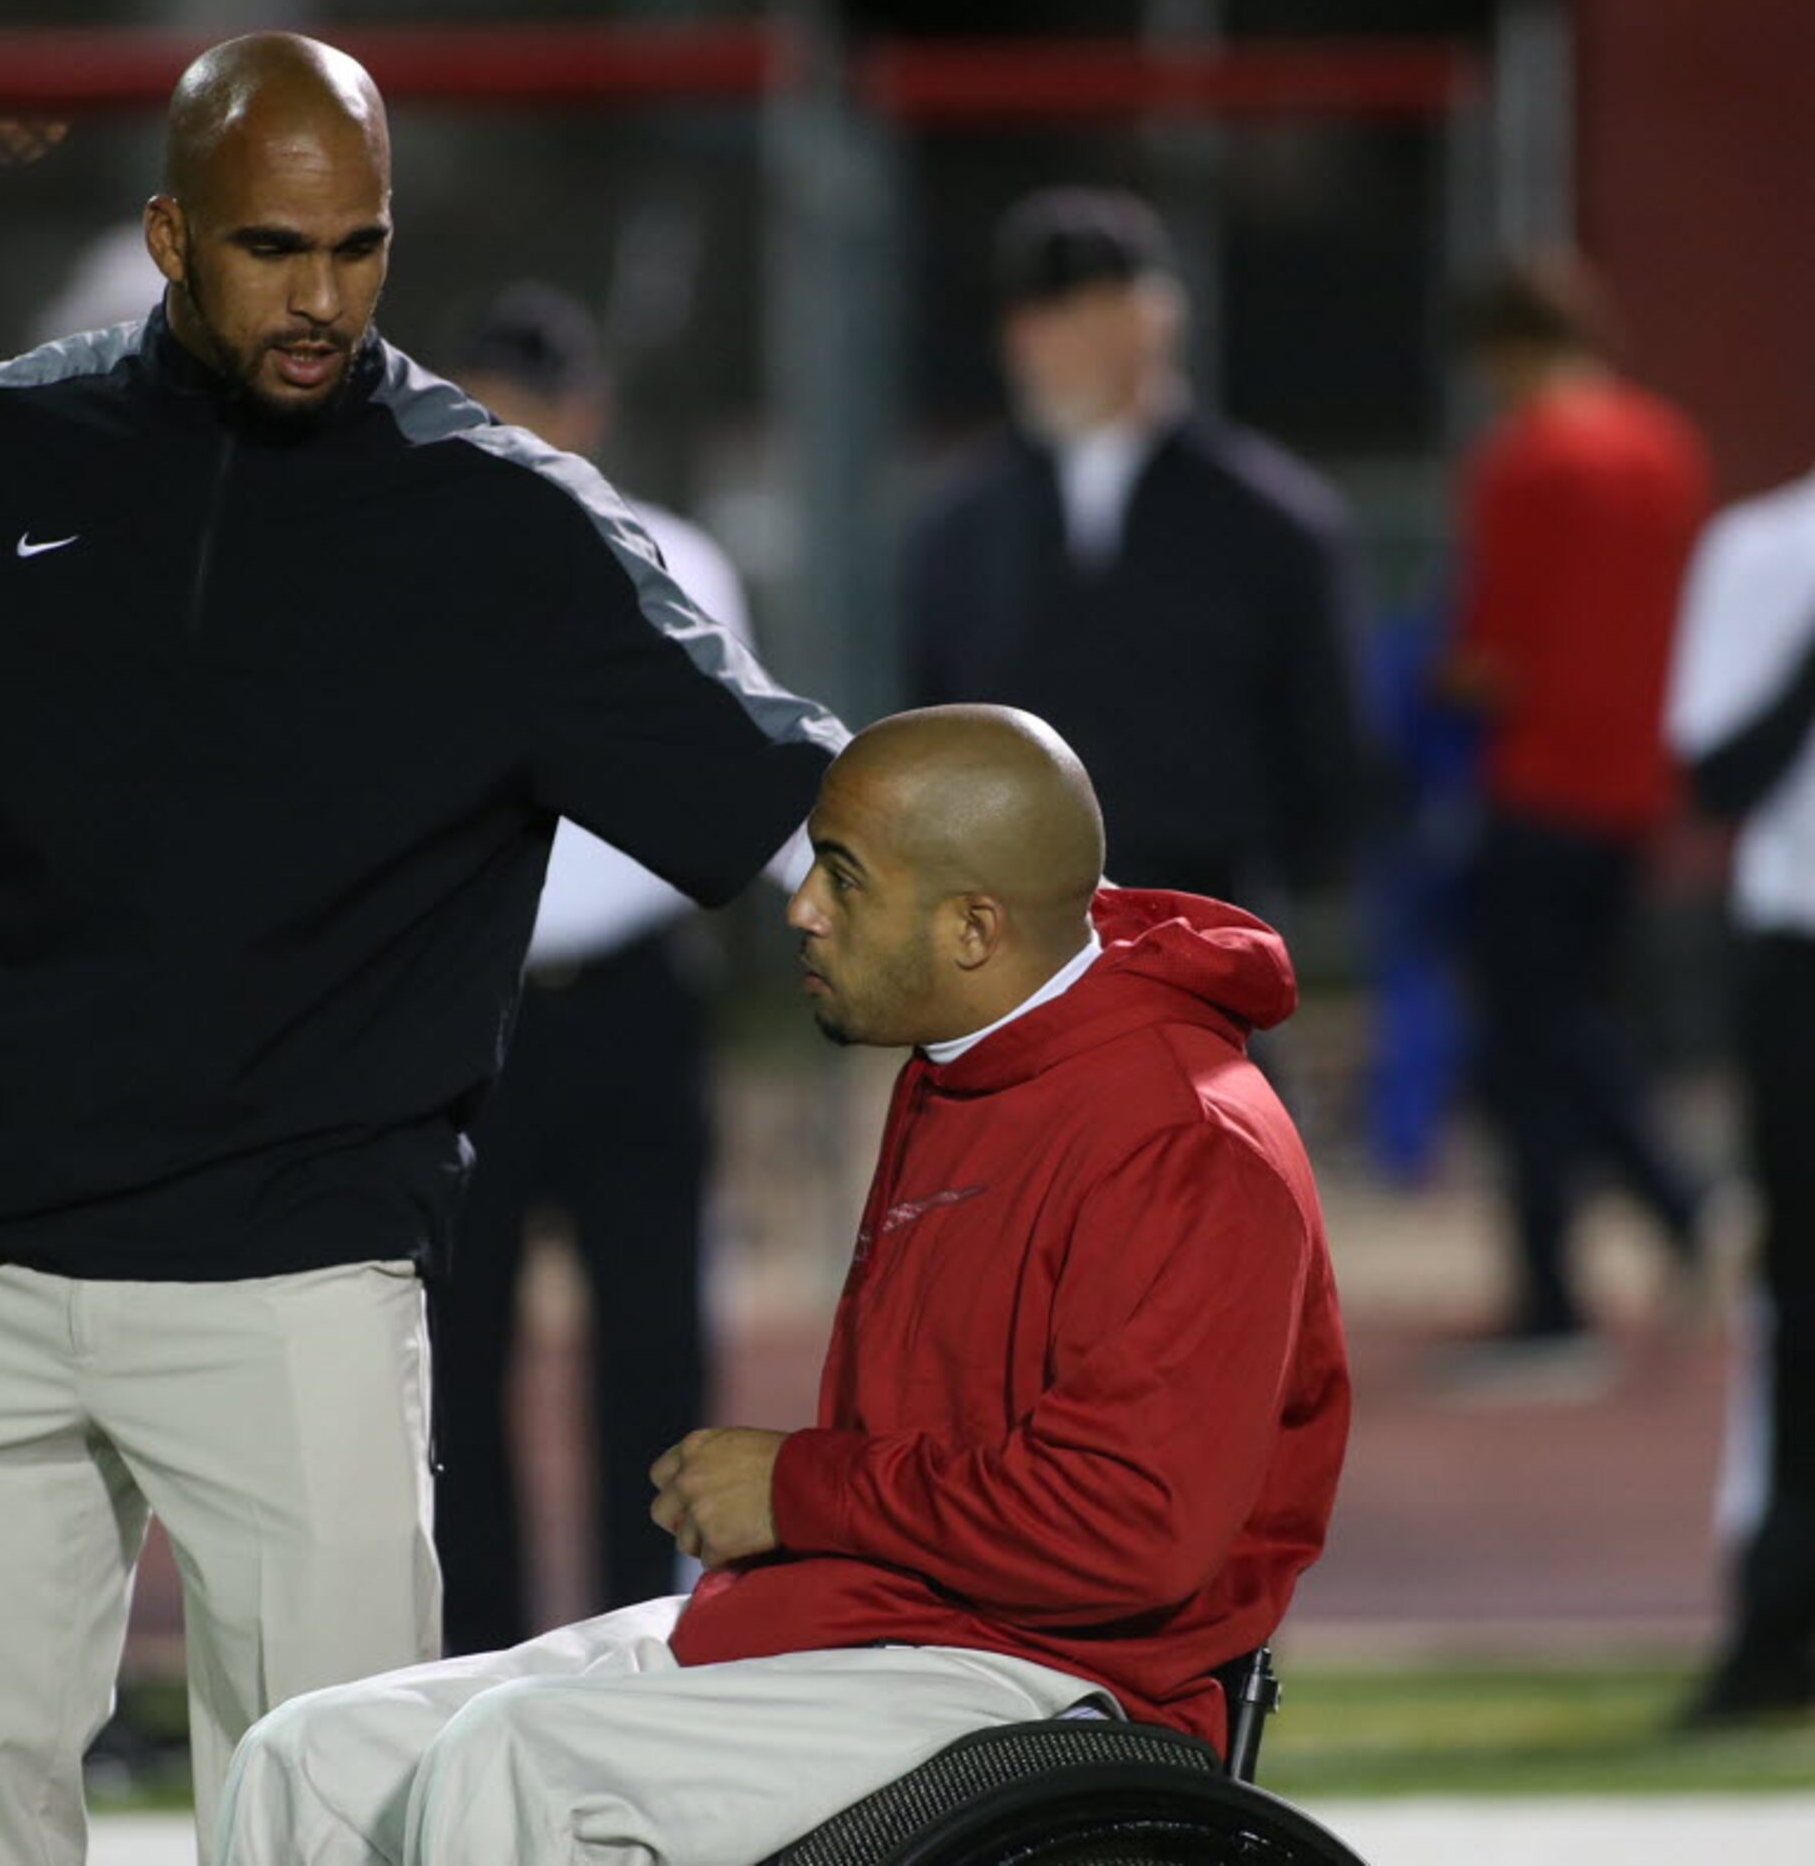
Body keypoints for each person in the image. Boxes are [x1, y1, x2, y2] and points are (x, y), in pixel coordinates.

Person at [0, 33, 844, 1865]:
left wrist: (1079, 972)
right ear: (171, 235)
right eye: (275, 249)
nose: (322, 299)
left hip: (286, 1279)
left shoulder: (505, 523)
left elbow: (797, 814)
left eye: (360, 249)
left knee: (333, 1833)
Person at [216, 706, 1352, 1865]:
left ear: (973, 927)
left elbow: (1132, 1531)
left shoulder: (1183, 1137)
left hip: (1053, 1674)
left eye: (843, 878)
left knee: (520, 1765)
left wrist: (799, 1490)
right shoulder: (976, 1053)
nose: (800, 905)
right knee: (304, 1757)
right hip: (873, 1617)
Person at [434, 282, 753, 1652]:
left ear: (586, 411)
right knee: (451, 1359)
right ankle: (475, 1649)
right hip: (462, 1010)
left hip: (628, 1001)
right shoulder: (403, 563)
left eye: (531, 403)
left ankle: (649, 1639)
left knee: (653, 1346)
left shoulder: (673, 556)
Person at [901, 187, 1360, 910]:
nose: (1068, 341)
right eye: (1047, 316)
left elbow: (1324, 740)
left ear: (1158, 320)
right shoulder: (960, 526)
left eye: (1098, 310)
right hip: (1014, 925)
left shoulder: (1266, 518)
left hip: (1202, 913)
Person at [1436, 253, 1711, 1381]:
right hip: (1635, 787)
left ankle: (1566, 1284)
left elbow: (1490, 655)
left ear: (1503, 351)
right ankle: (1669, 1209)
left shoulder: (1523, 463)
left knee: (1532, 1045)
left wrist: (1435, 685)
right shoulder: (1665, 449)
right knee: (1584, 1023)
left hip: (1538, 784)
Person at [1666, 462, 1815, 1725]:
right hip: (1802, 957)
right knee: (1801, 1302)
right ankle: (1779, 1624)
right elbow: (1713, 775)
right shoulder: (1763, 549)